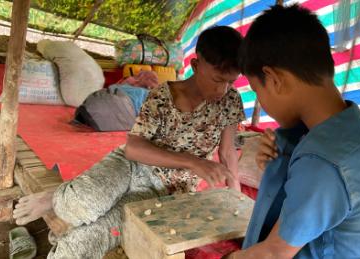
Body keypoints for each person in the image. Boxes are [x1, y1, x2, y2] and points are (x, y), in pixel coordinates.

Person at [13, 26, 246, 258]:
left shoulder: (230, 101)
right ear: (195, 66)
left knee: (98, 234)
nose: (223, 90)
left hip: (164, 190)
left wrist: (237, 207)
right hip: (130, 164)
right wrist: (193, 163)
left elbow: (227, 153)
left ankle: (64, 214)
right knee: (79, 204)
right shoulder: (163, 95)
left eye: (231, 82)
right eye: (217, 79)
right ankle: (55, 197)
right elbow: (134, 148)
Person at [226, 4, 360, 258]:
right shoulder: (351, 125)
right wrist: (278, 163)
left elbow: (273, 253)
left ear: (274, 79)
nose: (260, 100)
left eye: (256, 90)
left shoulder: (324, 160)